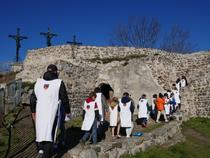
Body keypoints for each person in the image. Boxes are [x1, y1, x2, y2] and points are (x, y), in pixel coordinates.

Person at [30, 64, 71, 158]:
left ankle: (40, 150)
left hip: (40, 113)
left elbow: (32, 99)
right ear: (56, 72)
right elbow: (64, 98)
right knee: (50, 133)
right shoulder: (59, 82)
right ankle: (46, 154)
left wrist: (33, 111)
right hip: (52, 113)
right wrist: (68, 111)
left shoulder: (38, 82)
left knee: (40, 131)